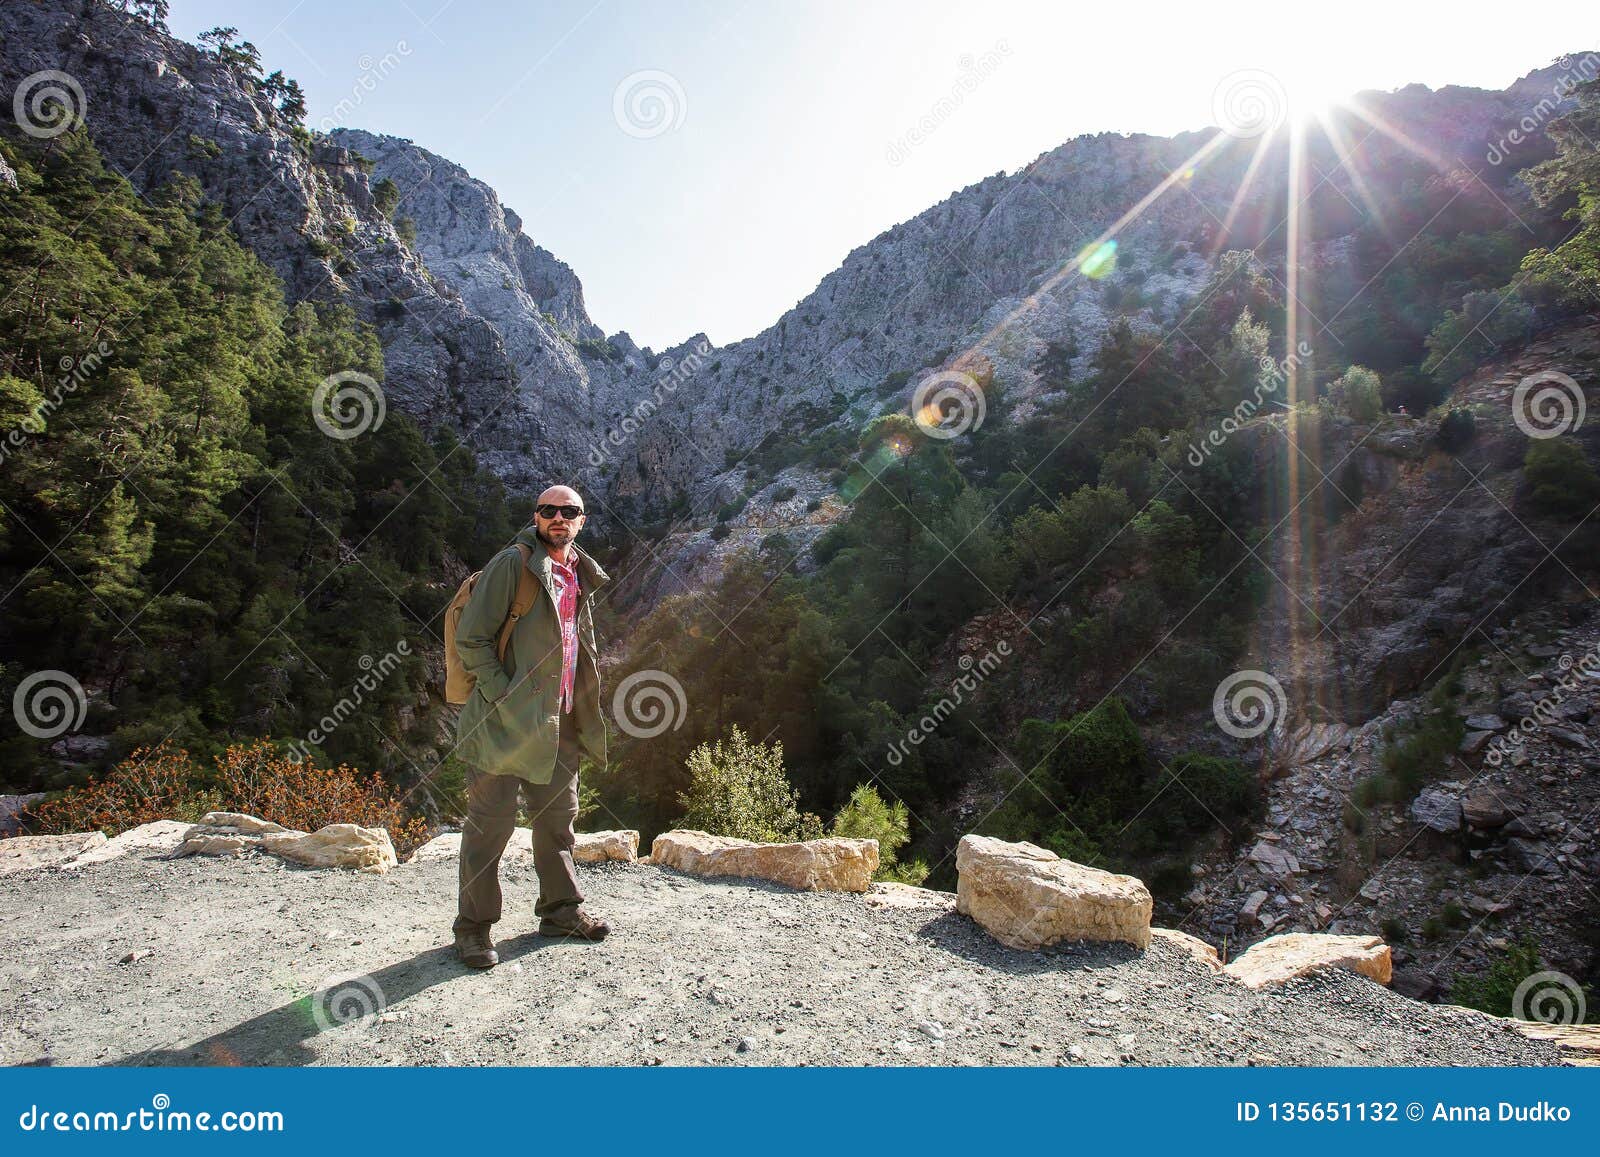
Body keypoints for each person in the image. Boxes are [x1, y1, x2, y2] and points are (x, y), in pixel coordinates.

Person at [450, 485, 610, 968]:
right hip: (502, 722)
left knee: (557, 823)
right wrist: (503, 694)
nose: (558, 518)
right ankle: (474, 930)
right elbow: (471, 639)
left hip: (558, 721)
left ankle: (561, 912)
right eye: (548, 511)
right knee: (489, 829)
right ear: (536, 517)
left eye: (569, 511)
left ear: (582, 520)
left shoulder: (580, 571)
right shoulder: (511, 566)